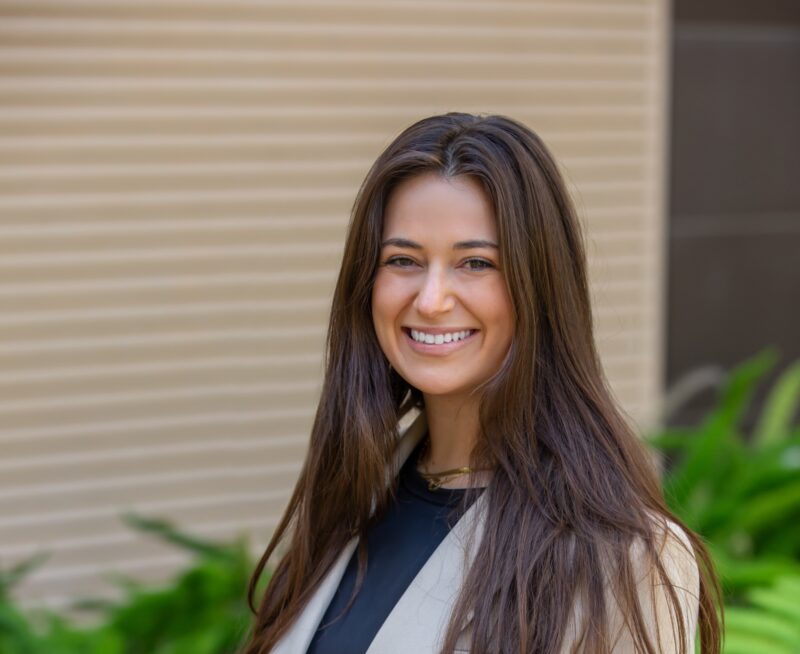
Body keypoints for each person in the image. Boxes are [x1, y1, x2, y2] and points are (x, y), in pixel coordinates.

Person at [242, 113, 723, 653]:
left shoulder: (625, 558)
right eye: (403, 260)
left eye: (475, 263)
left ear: (539, 287)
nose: (430, 299)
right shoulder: (350, 500)